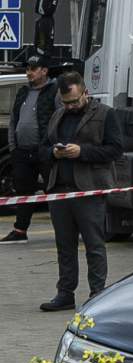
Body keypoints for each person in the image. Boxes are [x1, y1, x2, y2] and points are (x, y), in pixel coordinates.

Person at [38, 71, 123, 312]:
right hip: (60, 190)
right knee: (64, 246)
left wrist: (81, 152)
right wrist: (53, 153)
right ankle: (65, 294)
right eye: (66, 102)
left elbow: (115, 150)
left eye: (75, 101)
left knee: (94, 245)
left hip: (89, 191)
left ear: (85, 92)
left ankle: (97, 294)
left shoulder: (106, 114)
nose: (71, 106)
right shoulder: (58, 115)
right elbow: (42, 149)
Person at [0, 54, 61, 244]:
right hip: (21, 151)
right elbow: (13, 120)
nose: (29, 73)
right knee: (23, 192)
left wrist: (52, 145)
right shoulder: (23, 92)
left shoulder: (54, 92)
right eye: (28, 69)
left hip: (44, 150)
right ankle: (19, 230)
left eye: (33, 69)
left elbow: (61, 119)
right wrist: (13, 146)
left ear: (44, 71)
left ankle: (63, 230)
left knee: (54, 190)